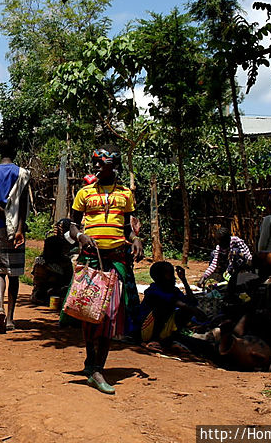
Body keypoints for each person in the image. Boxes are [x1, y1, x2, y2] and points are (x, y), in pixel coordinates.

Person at [68, 148, 143, 394]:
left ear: (114, 167)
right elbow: (71, 225)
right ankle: (91, 363)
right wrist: (81, 236)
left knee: (110, 315)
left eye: (103, 164)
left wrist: (136, 240)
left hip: (116, 261)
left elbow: (128, 228)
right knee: (91, 313)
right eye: (96, 164)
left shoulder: (125, 195)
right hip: (91, 260)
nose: (98, 168)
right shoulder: (84, 193)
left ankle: (98, 367)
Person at [0, 138, 30, 332]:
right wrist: (18, 226)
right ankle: (10, 318)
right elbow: (24, 204)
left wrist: (4, 216)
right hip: (17, 229)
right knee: (15, 273)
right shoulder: (23, 173)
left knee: (0, 270)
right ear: (15, 152)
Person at [139, 262, 205, 348]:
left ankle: (167, 340)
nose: (173, 278)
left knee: (186, 311)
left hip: (163, 330)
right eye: (169, 274)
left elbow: (192, 302)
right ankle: (154, 340)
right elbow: (175, 302)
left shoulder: (173, 290)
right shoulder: (152, 290)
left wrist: (184, 280)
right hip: (145, 331)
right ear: (159, 277)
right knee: (163, 307)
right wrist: (194, 311)